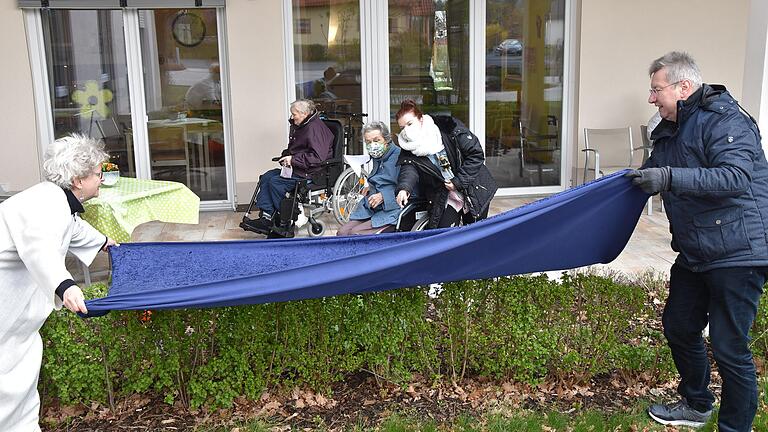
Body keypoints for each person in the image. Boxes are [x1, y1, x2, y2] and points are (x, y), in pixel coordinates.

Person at [626, 51, 768, 432]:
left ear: (684, 87)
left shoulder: (725, 121)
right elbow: (655, 170)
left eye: (657, 90)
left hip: (738, 250)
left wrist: (669, 178)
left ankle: (735, 427)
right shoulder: (671, 128)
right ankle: (696, 404)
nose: (652, 98)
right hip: (696, 250)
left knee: (729, 346)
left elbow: (735, 177)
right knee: (679, 326)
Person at [0, 134, 118, 430]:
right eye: (97, 173)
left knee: (19, 380)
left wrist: (104, 242)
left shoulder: (55, 201)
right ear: (78, 180)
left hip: (15, 321)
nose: (101, 178)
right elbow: (39, 247)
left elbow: (72, 229)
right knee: (9, 382)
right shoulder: (47, 204)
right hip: (5, 310)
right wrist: (65, 286)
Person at [395, 99, 497, 229]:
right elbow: (409, 169)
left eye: (410, 123)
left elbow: (475, 154)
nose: (406, 130)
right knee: (446, 234)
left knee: (475, 233)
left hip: (473, 187)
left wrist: (458, 181)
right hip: (444, 193)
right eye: (402, 127)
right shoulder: (407, 147)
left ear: (420, 119)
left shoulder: (448, 127)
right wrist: (404, 188)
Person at [243, 99, 334, 233]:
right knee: (267, 177)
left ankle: (285, 221)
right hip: (299, 168)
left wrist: (292, 160)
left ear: (304, 113)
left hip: (312, 172)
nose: (292, 117)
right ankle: (267, 217)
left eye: (294, 114)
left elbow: (317, 157)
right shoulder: (303, 125)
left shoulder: (315, 129)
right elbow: (296, 149)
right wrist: (285, 156)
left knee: (276, 182)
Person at [337, 121, 401, 236]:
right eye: (368, 142)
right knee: (342, 233)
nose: (373, 145)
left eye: (376, 140)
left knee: (356, 233)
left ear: (386, 140)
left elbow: (409, 188)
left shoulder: (399, 156)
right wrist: (369, 186)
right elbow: (380, 178)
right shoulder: (378, 157)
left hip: (392, 208)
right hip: (374, 207)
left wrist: (383, 196)